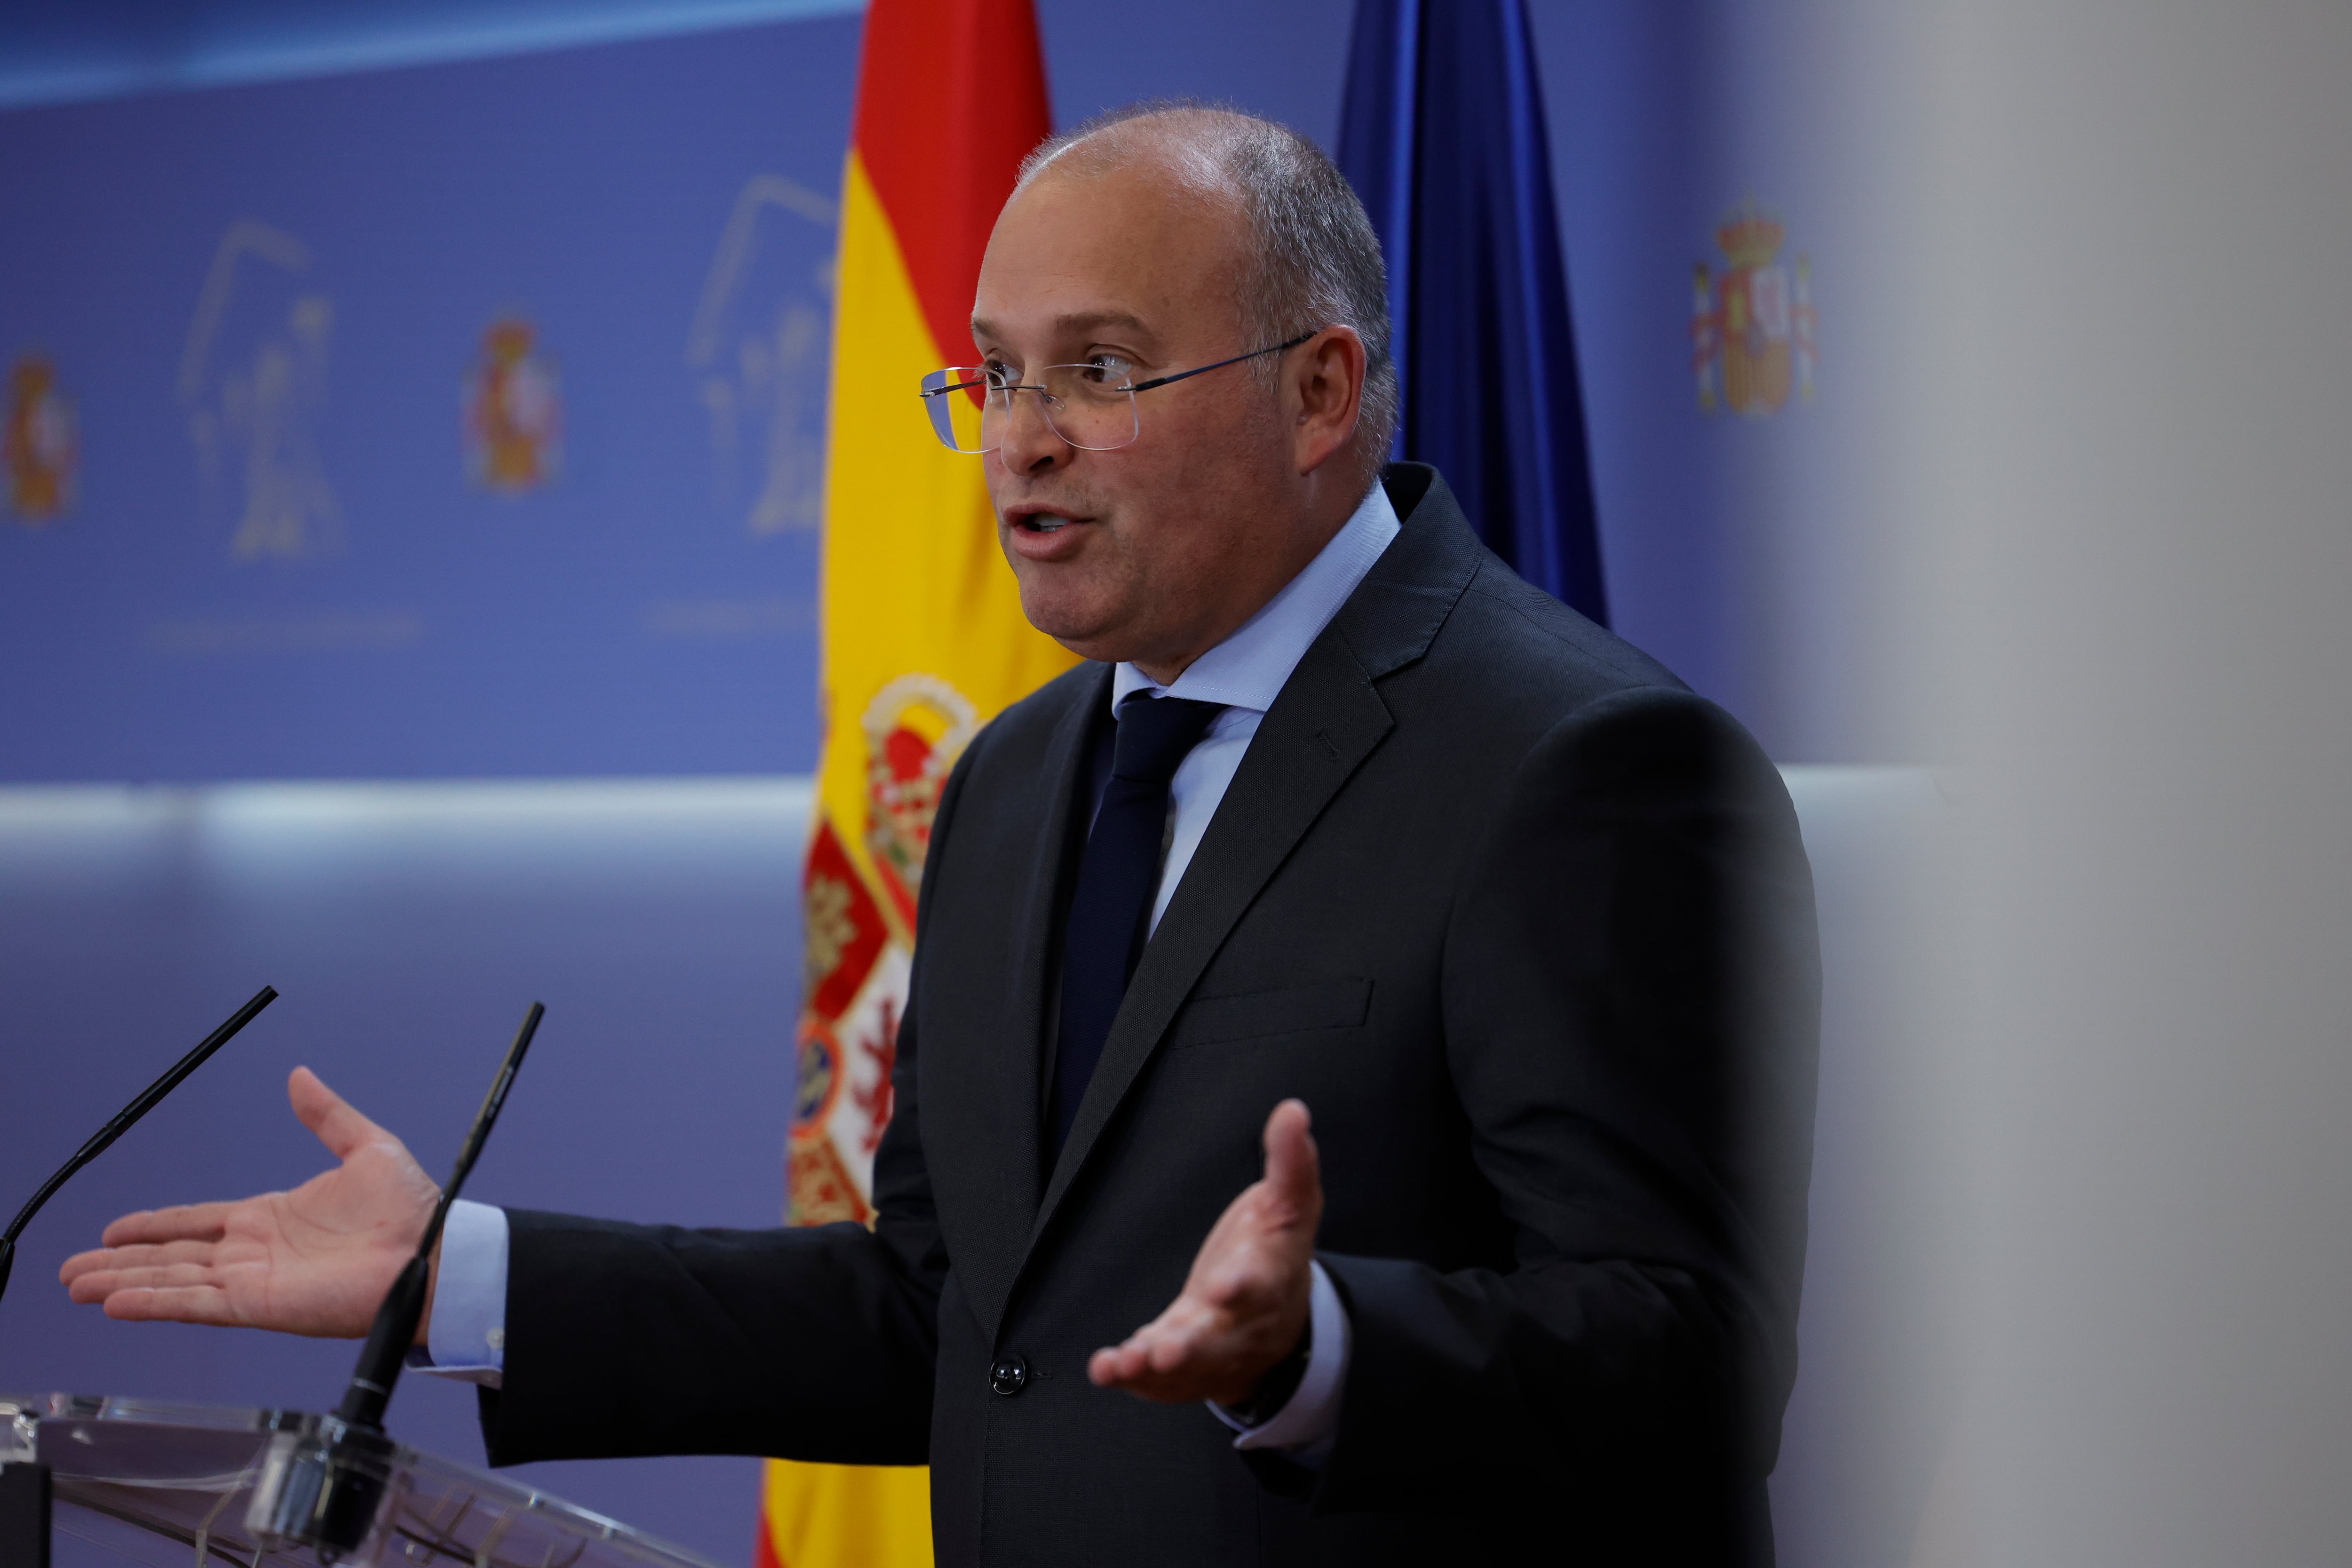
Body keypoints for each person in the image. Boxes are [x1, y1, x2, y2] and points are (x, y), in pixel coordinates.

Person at [62, 105, 1819, 1566]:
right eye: (992, 377)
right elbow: (949, 1314)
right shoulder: (1016, 776)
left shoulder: (1586, 765)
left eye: (1100, 372)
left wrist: (1326, 1350)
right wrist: (467, 1277)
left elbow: (1690, 1356)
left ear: (1321, 392)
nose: (1020, 450)